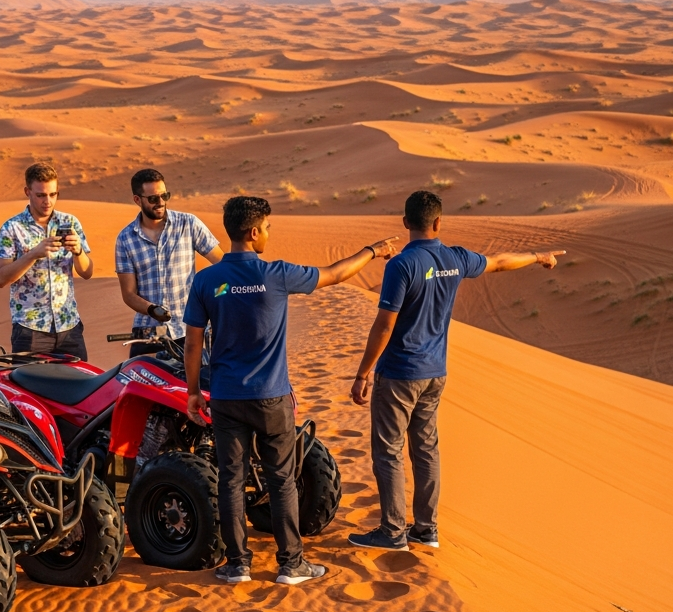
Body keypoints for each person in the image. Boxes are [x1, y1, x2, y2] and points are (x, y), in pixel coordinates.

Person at [183, 196, 397, 585]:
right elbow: (334, 274)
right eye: (266, 227)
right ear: (252, 232)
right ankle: (291, 564)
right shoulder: (276, 274)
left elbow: (193, 344)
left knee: (231, 478)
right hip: (271, 396)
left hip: (227, 396)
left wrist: (194, 391)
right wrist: (373, 250)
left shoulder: (206, 280)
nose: (268, 233)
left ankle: (238, 565)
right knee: (281, 479)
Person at [348, 190, 564, 551]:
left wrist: (362, 373)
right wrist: (537, 256)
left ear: (405, 223)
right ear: (438, 223)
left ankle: (392, 532)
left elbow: (385, 325)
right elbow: (498, 262)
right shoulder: (456, 258)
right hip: (435, 372)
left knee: (388, 450)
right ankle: (426, 528)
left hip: (400, 371)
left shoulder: (401, 265)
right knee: (426, 449)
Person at [115, 168, 222, 357]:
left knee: (196, 385)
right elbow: (129, 294)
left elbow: (224, 266)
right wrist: (151, 309)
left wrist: (217, 295)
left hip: (188, 330)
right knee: (138, 383)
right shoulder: (125, 239)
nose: (161, 203)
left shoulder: (188, 224)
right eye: (153, 199)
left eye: (165, 196)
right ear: (137, 200)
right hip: (148, 334)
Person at [0, 163, 94, 360]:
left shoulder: (71, 222)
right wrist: (33, 254)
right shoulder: (11, 228)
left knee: (83, 387)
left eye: (53, 194)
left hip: (69, 326)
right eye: (41, 195)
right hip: (30, 329)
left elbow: (87, 272)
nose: (47, 201)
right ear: (27, 192)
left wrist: (78, 251)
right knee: (30, 389)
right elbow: (1, 278)